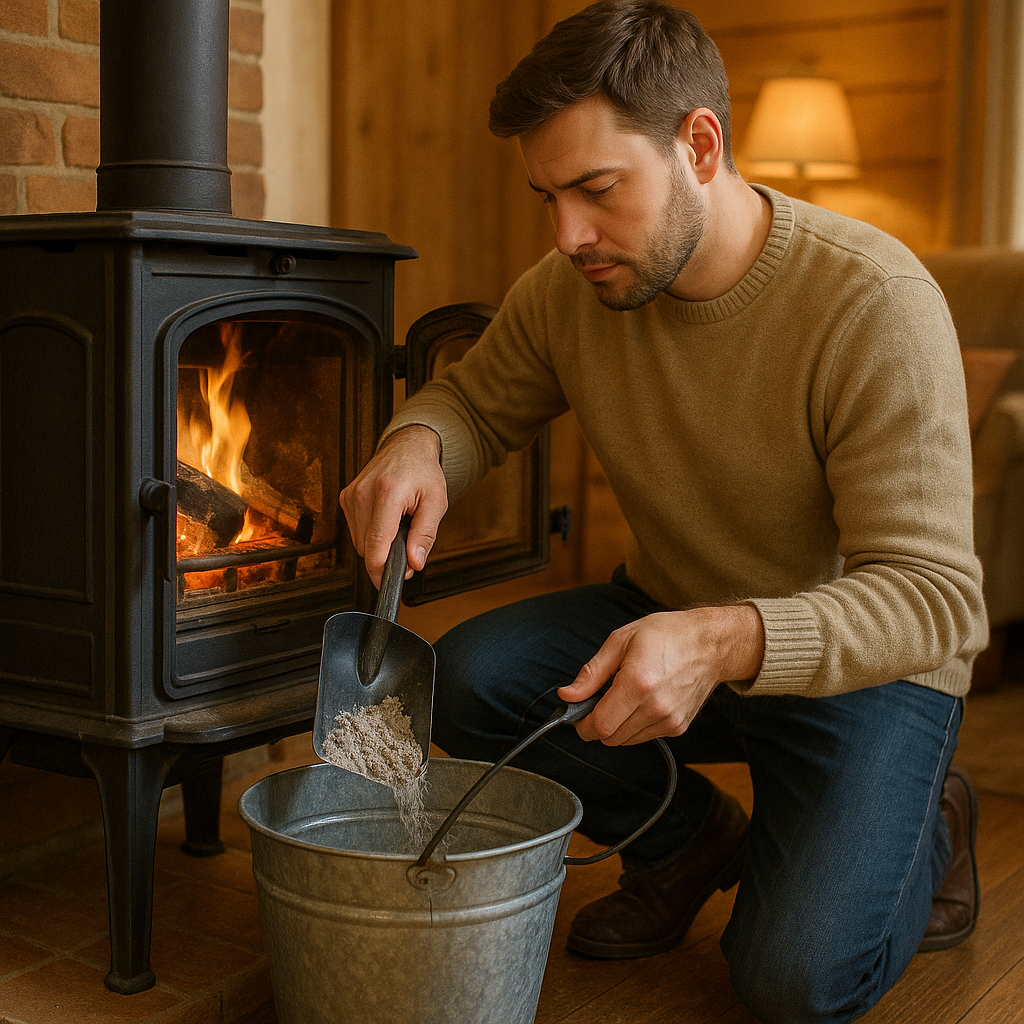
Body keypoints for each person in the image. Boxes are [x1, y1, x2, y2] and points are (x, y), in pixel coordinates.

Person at [339, 2, 988, 1021]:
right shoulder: (571, 288)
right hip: (669, 614)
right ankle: (689, 838)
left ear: (699, 144)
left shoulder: (871, 302)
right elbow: (467, 400)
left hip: (865, 668)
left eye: (597, 189)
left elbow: (935, 599)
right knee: (464, 680)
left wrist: (725, 638)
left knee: (792, 980)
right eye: (546, 196)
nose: (567, 234)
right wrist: (414, 445)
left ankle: (931, 813)